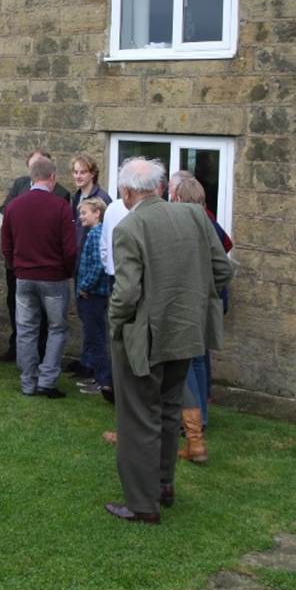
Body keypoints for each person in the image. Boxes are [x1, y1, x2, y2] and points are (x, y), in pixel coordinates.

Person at [104, 158, 233, 524]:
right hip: (187, 333)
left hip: (145, 338)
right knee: (167, 411)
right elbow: (222, 269)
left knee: (138, 420)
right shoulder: (193, 216)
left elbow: (127, 294)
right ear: (159, 187)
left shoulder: (130, 227)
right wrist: (192, 300)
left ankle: (143, 504)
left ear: (127, 192)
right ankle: (162, 486)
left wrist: (114, 323)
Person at [0, 154, 77, 397]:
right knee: (56, 328)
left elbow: (6, 244)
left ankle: (28, 382)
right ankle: (47, 380)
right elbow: (70, 248)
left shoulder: (14, 206)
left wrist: (16, 267)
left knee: (26, 329)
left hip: (24, 277)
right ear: (52, 178)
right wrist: (65, 271)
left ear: (32, 177)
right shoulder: (61, 206)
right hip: (53, 277)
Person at [168, 172, 232, 464]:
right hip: (204, 301)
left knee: (188, 362)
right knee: (197, 359)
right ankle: (200, 419)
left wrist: (198, 289)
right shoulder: (208, 222)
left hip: (191, 303)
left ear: (180, 197)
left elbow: (221, 267)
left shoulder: (193, 224)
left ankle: (193, 426)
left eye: (172, 193)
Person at [68, 152, 112, 378]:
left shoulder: (101, 198)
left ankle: (95, 367)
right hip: (79, 263)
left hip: (93, 266)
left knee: (94, 319)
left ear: (92, 173)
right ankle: (86, 362)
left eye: (82, 172)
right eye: (75, 172)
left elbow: (104, 236)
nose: (78, 176)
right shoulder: (75, 197)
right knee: (86, 318)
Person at [74, 197, 113, 395]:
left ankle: (104, 381)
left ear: (97, 213)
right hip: (90, 294)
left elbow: (99, 265)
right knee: (92, 336)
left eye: (84, 213)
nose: (81, 217)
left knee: (96, 338)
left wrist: (85, 286)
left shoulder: (98, 233)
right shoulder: (93, 232)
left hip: (93, 295)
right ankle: (97, 377)